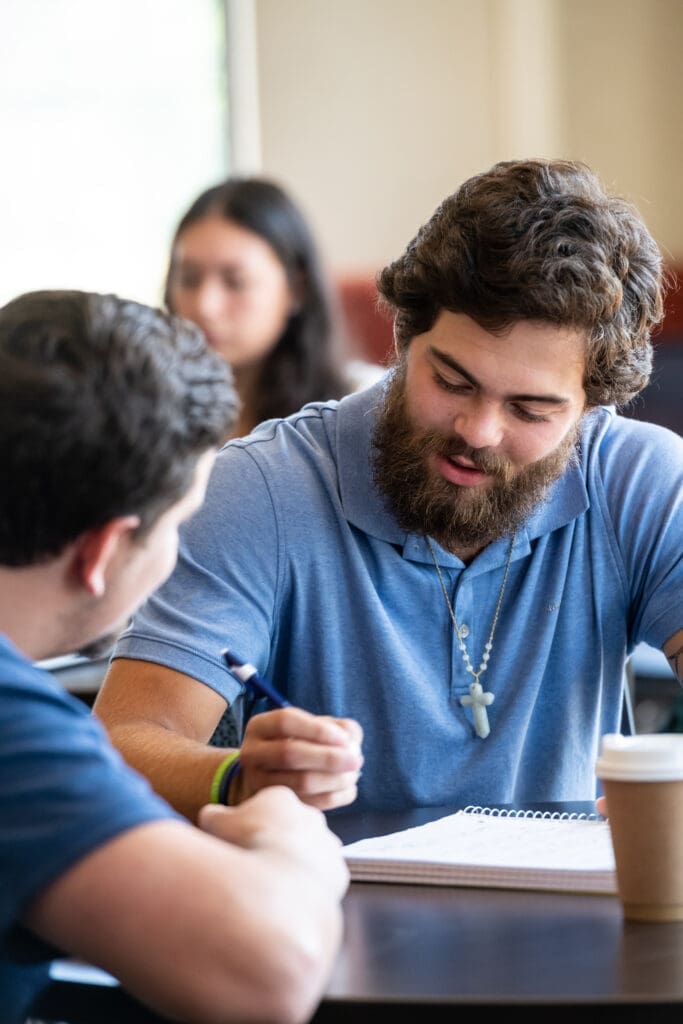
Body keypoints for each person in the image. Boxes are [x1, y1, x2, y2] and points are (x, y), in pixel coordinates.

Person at [94, 158, 683, 820]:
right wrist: (236, 777)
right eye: (452, 381)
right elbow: (123, 744)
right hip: (330, 910)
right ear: (404, 338)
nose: (478, 431)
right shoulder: (262, 486)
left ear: (589, 407)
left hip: (576, 914)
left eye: (529, 409)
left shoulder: (638, 481)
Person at [0, 290, 351, 1024]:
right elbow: (268, 973)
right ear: (103, 551)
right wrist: (290, 846)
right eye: (179, 527)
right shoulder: (16, 731)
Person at [164, 175, 384, 440]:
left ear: (296, 289)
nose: (205, 306)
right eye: (189, 279)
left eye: (236, 282)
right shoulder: (146, 405)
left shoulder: (361, 404)